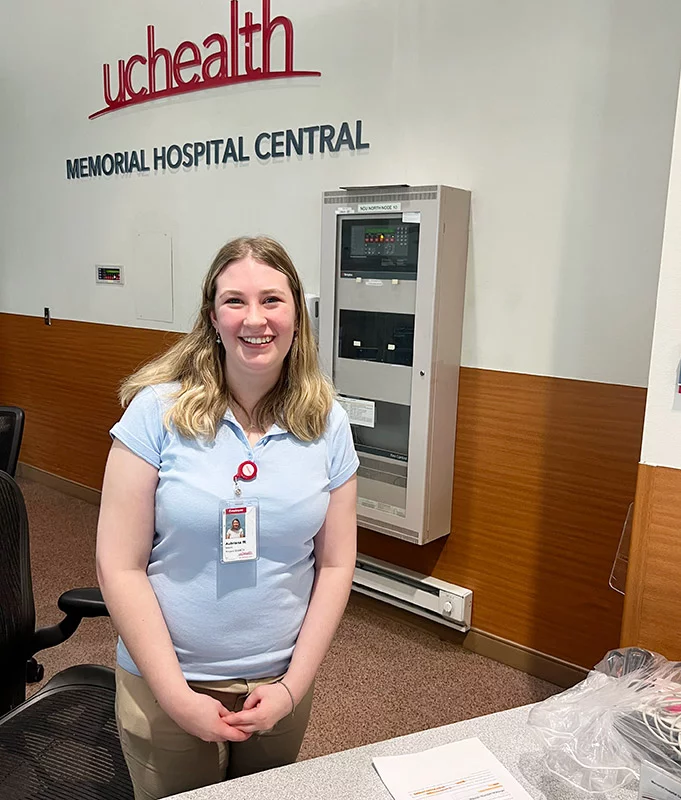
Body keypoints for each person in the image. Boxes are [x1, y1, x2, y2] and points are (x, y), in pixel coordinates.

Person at [96, 236, 359, 800]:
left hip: (280, 682)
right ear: (212, 317)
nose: (255, 319)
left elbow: (337, 564)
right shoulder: (156, 412)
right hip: (168, 680)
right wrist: (174, 694)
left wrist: (292, 687)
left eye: (272, 300)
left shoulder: (328, 423)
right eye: (235, 301)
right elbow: (119, 566)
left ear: (297, 316)